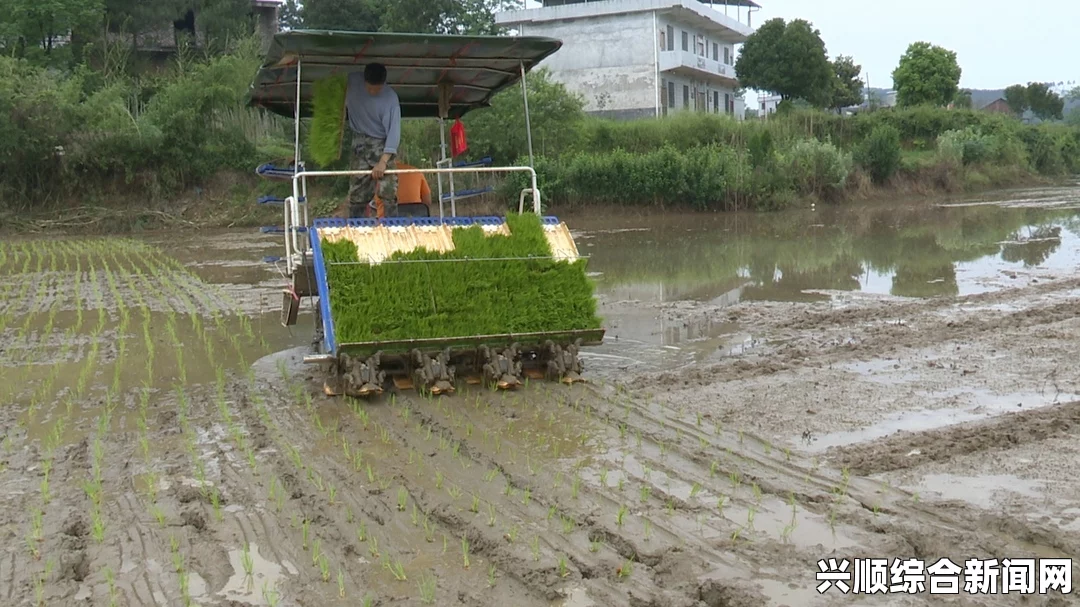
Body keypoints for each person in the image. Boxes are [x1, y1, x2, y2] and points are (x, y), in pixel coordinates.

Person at [345, 62, 401, 218]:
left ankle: (392, 228)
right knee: (357, 192)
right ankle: (357, 228)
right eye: (369, 87)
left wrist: (383, 161)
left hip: (381, 144)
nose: (372, 91)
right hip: (359, 142)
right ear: (364, 80)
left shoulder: (390, 99)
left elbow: (394, 133)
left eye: (377, 88)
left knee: (388, 190)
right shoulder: (352, 80)